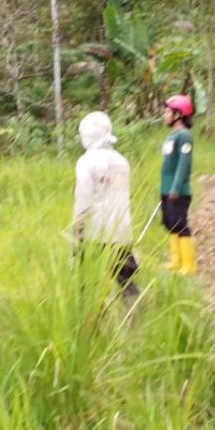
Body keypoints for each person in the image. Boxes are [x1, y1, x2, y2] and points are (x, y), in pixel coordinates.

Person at [72, 111, 139, 298]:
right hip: (121, 230)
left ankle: (94, 314)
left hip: (95, 232)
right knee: (126, 280)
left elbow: (83, 199)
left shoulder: (86, 162)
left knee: (88, 282)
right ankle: (136, 312)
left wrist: (77, 227)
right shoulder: (121, 161)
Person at [160, 94, 196, 275]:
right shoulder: (171, 136)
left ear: (178, 115)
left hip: (178, 191)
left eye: (168, 112)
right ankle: (175, 260)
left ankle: (189, 264)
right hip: (166, 188)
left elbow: (184, 164)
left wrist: (175, 188)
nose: (164, 115)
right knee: (170, 223)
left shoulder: (184, 136)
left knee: (180, 224)